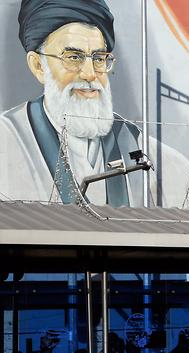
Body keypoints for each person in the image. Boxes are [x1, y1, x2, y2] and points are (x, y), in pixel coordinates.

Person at [0, 0, 142, 205]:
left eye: (99, 58)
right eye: (74, 57)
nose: (90, 74)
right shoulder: (7, 138)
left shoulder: (145, 150)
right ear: (38, 65)